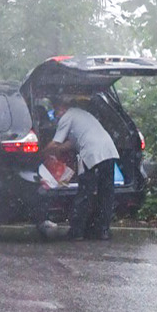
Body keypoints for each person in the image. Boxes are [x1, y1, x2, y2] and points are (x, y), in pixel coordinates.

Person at [53, 92, 122, 240]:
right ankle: (102, 230)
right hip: (109, 152)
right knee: (106, 193)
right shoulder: (82, 114)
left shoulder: (67, 117)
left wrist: (42, 153)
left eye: (56, 112)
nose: (56, 116)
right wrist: (59, 150)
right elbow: (71, 142)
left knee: (85, 193)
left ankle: (77, 232)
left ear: (61, 108)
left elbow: (55, 143)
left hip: (92, 154)